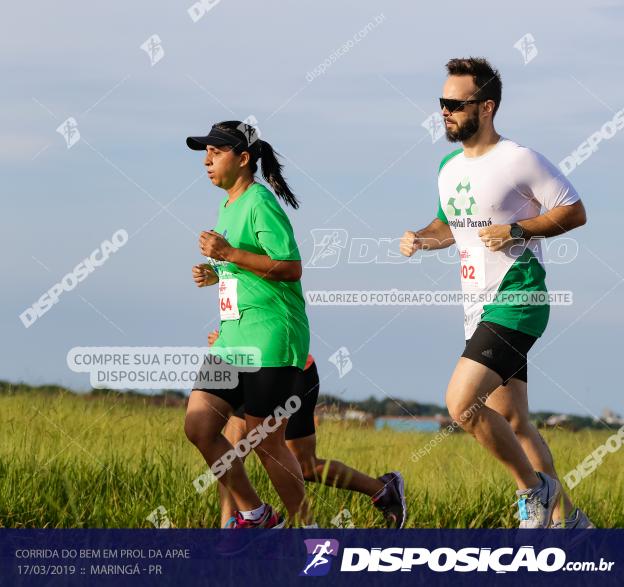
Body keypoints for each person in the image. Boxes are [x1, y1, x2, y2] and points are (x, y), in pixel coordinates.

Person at [400, 57, 592, 529]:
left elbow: (574, 211)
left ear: (486, 107)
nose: (444, 111)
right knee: (515, 421)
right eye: (440, 103)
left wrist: (518, 229)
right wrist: (422, 238)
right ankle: (571, 524)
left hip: (518, 298)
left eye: (454, 103)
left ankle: (534, 492)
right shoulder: (447, 168)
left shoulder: (520, 159)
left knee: (461, 403)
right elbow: (449, 226)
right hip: (478, 306)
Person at [183, 120, 313, 528]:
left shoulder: (259, 201)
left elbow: (290, 268)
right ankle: (255, 514)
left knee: (267, 444)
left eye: (215, 152)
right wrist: (217, 274)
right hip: (233, 338)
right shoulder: (228, 205)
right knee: (200, 426)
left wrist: (229, 253)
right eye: (205, 152)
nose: (206, 160)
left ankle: (310, 532)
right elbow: (248, 268)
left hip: (272, 336)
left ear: (242, 159)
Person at [206, 331, 407, 528]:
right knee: (230, 454)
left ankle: (382, 489)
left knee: (305, 467)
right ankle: (228, 535)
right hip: (248, 372)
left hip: (289, 373)